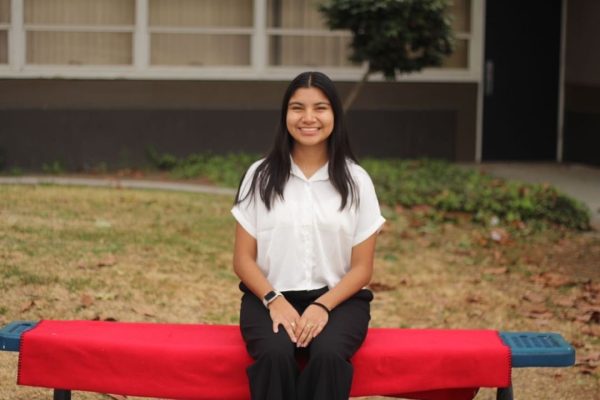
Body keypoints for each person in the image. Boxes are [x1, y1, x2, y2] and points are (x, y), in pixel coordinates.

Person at [231, 71, 385, 400]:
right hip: (268, 298)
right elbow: (243, 259)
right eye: (298, 108)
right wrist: (274, 301)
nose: (309, 118)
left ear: (335, 116)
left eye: (321, 108)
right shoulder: (259, 176)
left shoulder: (357, 181)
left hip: (339, 300)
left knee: (328, 355)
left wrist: (322, 306)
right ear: (285, 114)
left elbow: (362, 268)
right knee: (275, 354)